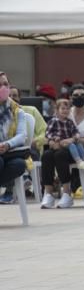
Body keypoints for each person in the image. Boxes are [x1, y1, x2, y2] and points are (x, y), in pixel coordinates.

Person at [39, 84, 84, 209]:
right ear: (71, 98)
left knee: (60, 155)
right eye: (76, 95)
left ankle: (67, 194)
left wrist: (71, 140)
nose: (79, 97)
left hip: (81, 151)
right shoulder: (65, 110)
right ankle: (48, 194)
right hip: (61, 147)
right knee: (47, 155)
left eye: (83, 95)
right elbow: (51, 132)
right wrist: (53, 142)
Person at [0, 72, 30, 207]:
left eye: (5, 84)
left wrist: (7, 144)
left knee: (19, 165)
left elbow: (22, 135)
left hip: (10, 151)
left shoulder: (18, 111)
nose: (3, 88)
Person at [46, 99, 84, 169]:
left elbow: (75, 130)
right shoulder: (53, 121)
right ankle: (79, 162)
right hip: (60, 142)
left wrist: (77, 135)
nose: (65, 110)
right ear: (57, 110)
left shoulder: (69, 122)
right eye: (63, 108)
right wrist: (54, 137)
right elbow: (48, 133)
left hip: (68, 142)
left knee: (79, 144)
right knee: (72, 145)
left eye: (67, 109)